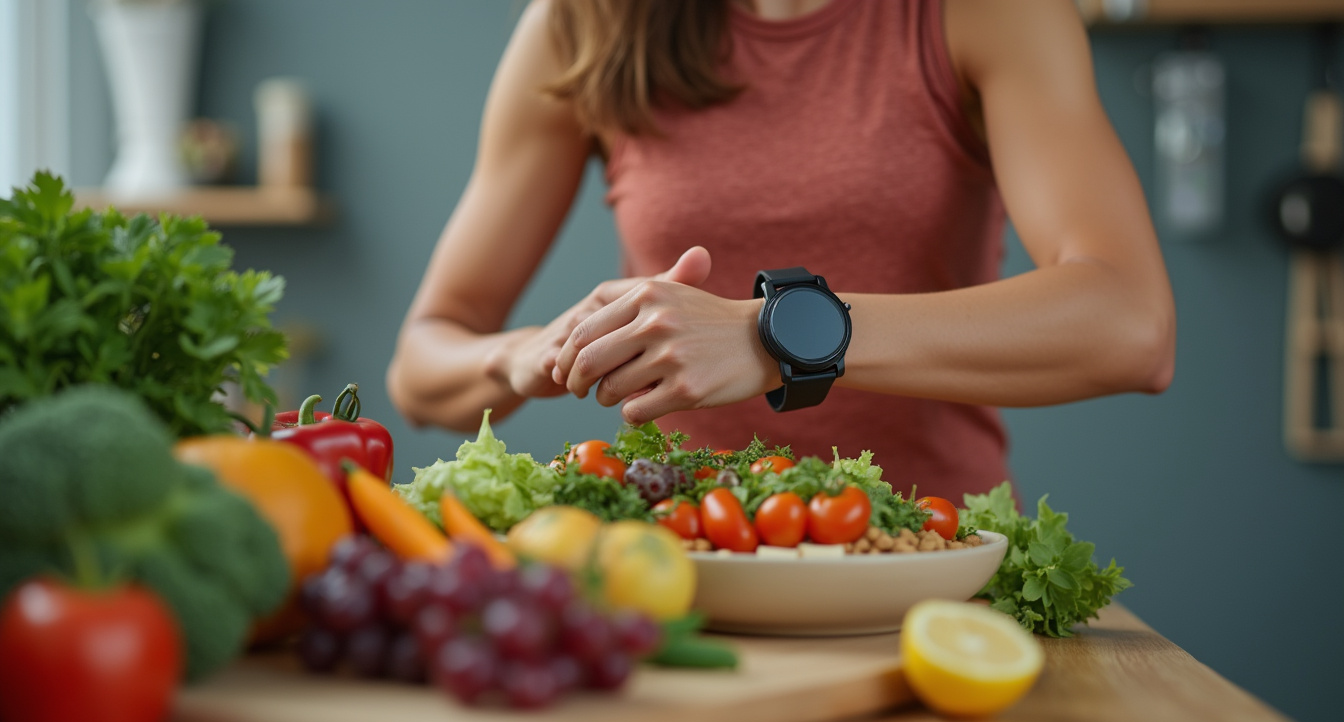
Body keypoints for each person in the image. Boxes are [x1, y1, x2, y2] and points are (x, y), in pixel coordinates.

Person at [386, 0, 1176, 501]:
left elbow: (1129, 324)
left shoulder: (984, 12)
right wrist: (525, 356)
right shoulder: (583, 21)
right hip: (684, 557)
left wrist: (780, 335)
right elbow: (422, 369)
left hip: (928, 557)